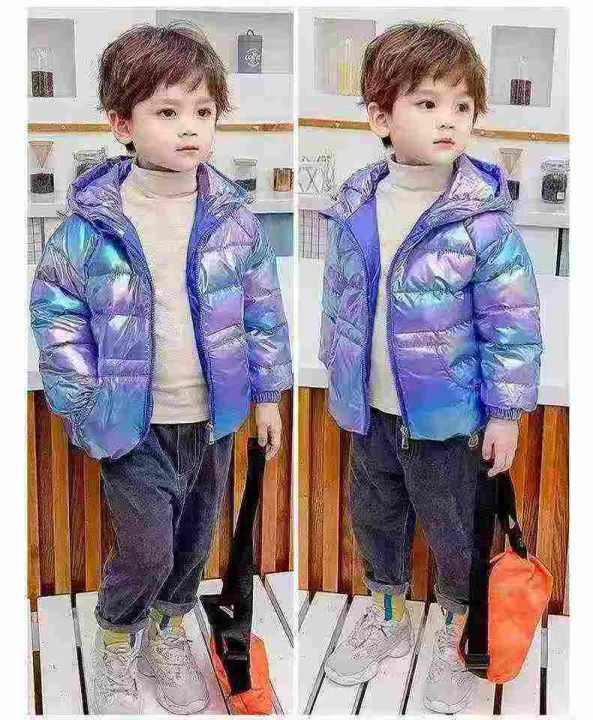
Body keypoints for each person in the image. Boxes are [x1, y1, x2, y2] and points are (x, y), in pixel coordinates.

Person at [29, 23, 292, 715]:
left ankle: (169, 634)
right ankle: (117, 639)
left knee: (192, 544)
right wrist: (83, 406)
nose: (190, 128)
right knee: (146, 549)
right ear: (122, 124)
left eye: (203, 111)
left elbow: (262, 310)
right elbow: (56, 318)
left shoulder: (233, 218)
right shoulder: (90, 225)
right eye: (167, 112)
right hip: (134, 428)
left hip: (211, 420)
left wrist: (268, 394)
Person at [320, 21, 542, 714]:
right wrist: (337, 374)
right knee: (375, 520)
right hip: (369, 412)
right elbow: (340, 302)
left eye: (462, 106)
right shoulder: (354, 206)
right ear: (380, 117)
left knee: (453, 532)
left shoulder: (482, 220)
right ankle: (387, 616)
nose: (449, 119)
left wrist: (504, 413)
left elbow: (512, 323)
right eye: (427, 102)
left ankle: (458, 630)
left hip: (447, 421)